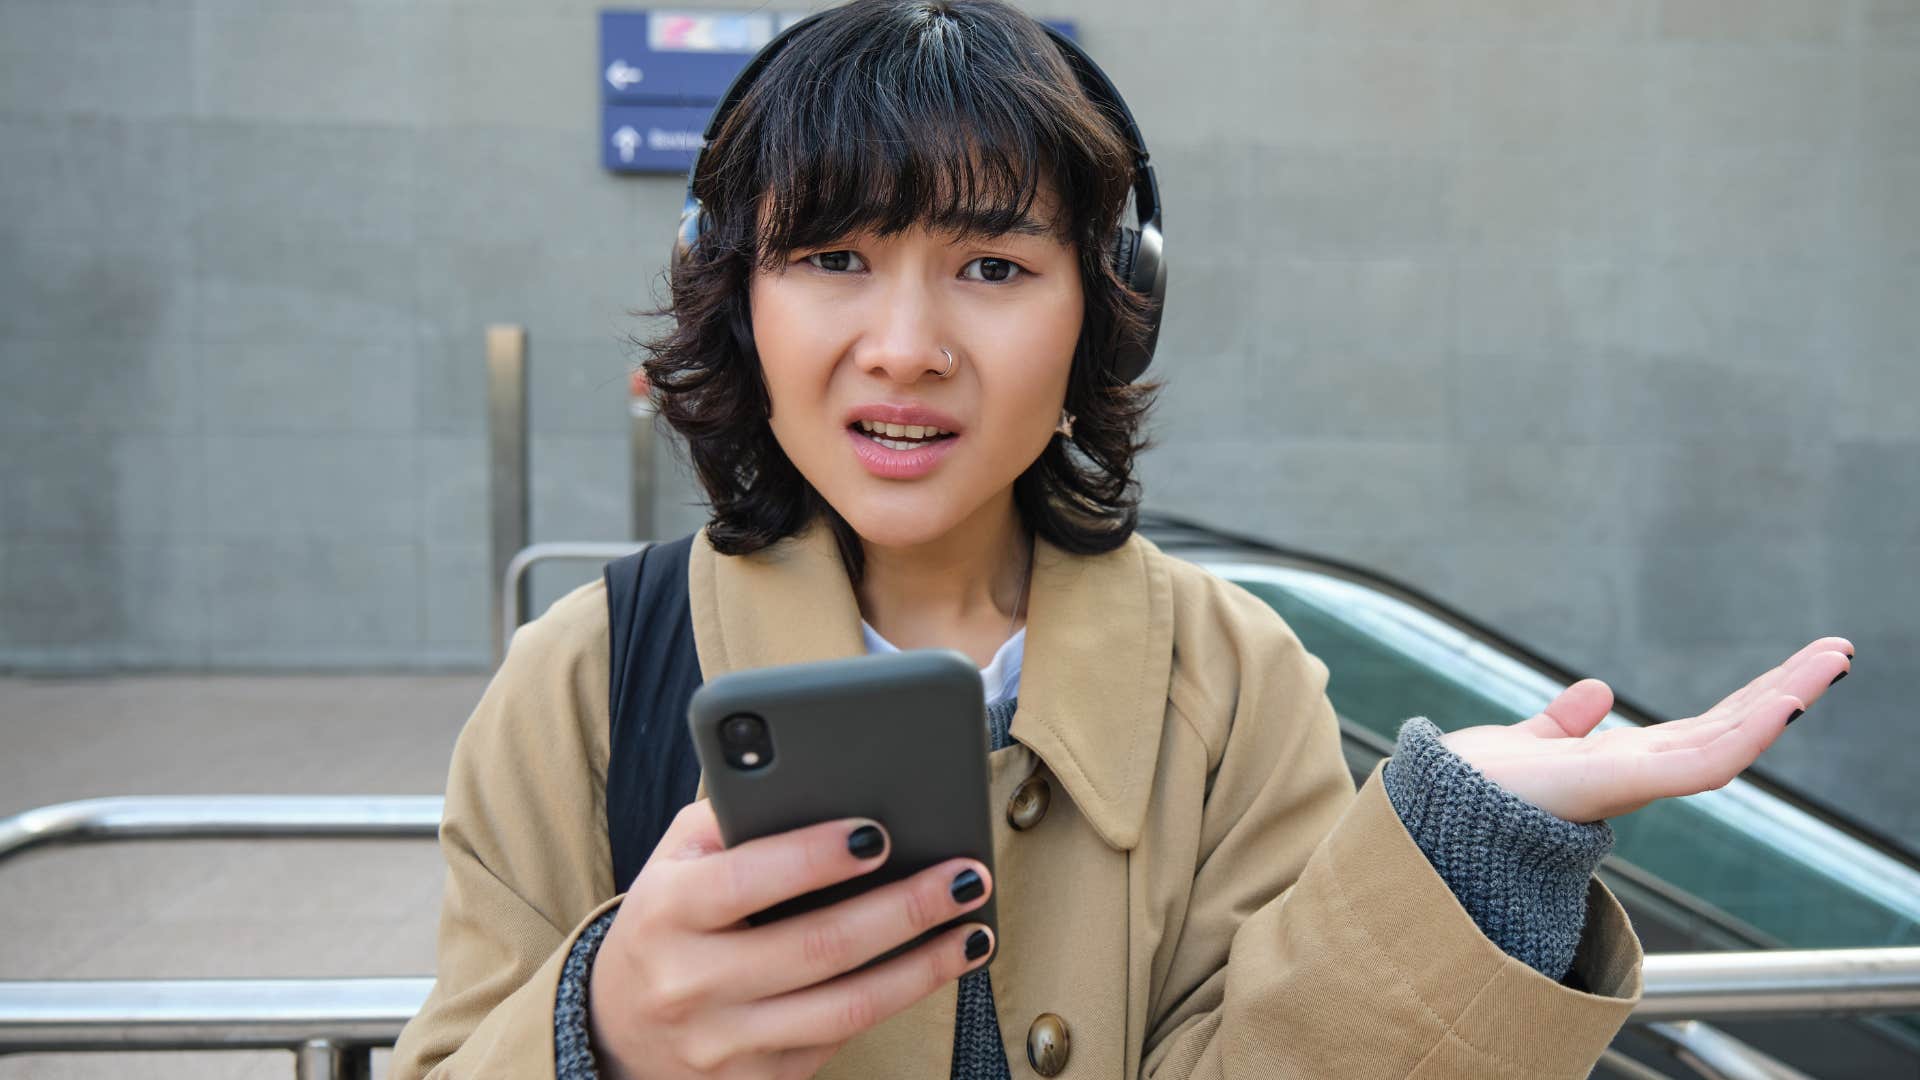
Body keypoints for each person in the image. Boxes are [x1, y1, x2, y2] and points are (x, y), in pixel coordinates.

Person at [389, 2, 1854, 1077]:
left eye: (992, 266)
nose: (905, 347)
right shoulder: (585, 677)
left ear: (1106, 302)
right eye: (831, 258)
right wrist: (605, 1029)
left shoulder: (1231, 678)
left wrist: (1464, 852)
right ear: (736, 292)